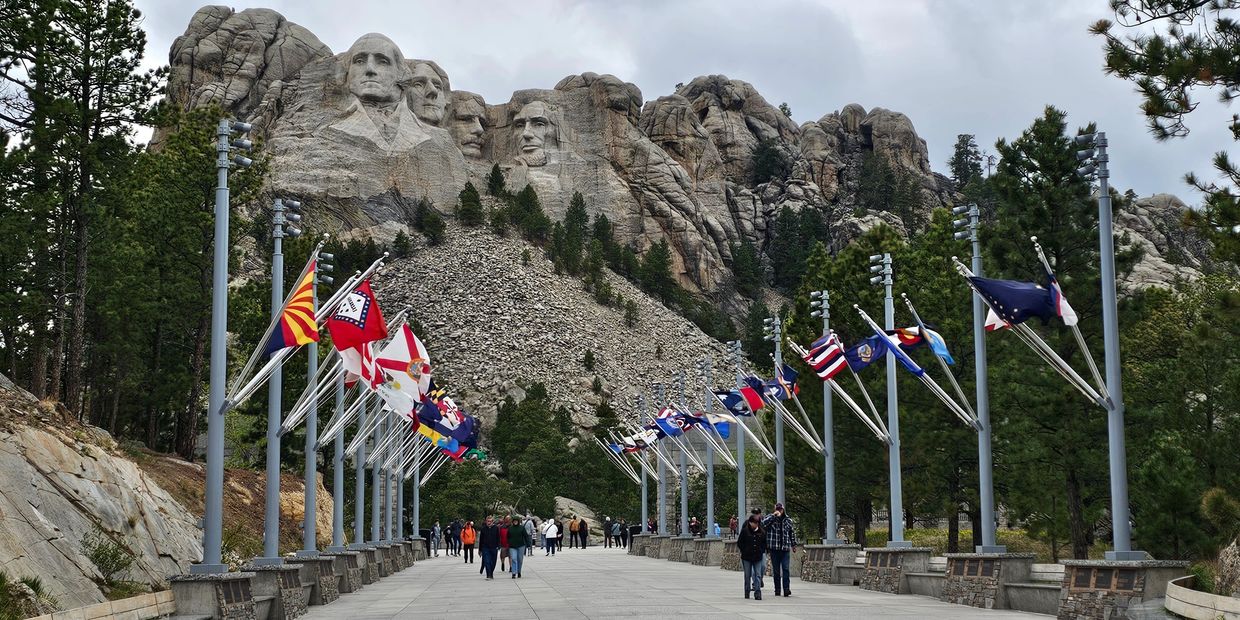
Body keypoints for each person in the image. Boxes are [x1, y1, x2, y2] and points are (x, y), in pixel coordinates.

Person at [762, 502, 799, 597]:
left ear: (783, 509)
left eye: (780, 509)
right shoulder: (770, 518)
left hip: (785, 548)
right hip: (774, 548)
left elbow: (791, 533)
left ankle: (786, 589)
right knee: (776, 571)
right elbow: (763, 524)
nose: (779, 511)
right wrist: (774, 516)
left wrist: (793, 545)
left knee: (786, 569)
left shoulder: (788, 520)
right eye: (777, 509)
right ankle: (777, 589)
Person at [737, 508, 767, 600]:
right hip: (746, 557)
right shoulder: (745, 530)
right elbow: (740, 542)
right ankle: (747, 591)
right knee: (747, 575)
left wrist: (761, 550)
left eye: (756, 523)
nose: (755, 525)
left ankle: (757, 592)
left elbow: (764, 543)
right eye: (753, 523)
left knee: (758, 574)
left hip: (757, 556)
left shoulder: (762, 531)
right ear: (750, 522)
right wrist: (744, 550)